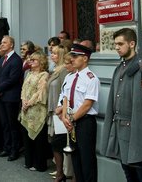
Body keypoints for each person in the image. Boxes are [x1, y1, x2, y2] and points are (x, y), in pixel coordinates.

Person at [100, 28, 142, 182]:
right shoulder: (119, 68)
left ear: (132, 44)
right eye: (115, 44)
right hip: (119, 131)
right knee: (129, 175)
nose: (116, 47)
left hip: (137, 133)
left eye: (120, 44)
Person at [60, 43, 100, 182]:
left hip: (85, 122)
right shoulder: (69, 77)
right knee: (75, 158)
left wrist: (71, 119)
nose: (72, 59)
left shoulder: (91, 78)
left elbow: (87, 104)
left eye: (76, 56)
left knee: (87, 160)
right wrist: (65, 117)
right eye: (72, 56)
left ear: (85, 58)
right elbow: (65, 98)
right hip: (71, 122)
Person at [19, 50, 51, 172]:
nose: (31, 62)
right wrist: (23, 101)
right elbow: (23, 89)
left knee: (38, 138)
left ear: (41, 62)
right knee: (27, 137)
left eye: (34, 60)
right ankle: (29, 161)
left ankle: (39, 164)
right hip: (26, 110)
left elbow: (40, 92)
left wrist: (29, 103)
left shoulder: (44, 75)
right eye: (30, 60)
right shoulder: (29, 73)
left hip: (37, 110)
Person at [0, 35, 23, 161]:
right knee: (4, 124)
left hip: (11, 97)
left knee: (12, 125)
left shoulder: (16, 60)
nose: (1, 44)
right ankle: (6, 148)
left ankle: (14, 151)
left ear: (11, 45)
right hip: (1, 97)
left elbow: (13, 79)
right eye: (1, 42)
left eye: (4, 43)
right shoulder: (2, 59)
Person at [47, 44, 70, 181]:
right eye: (52, 53)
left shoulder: (63, 71)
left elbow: (64, 93)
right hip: (53, 110)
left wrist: (61, 108)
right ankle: (59, 170)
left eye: (55, 53)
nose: (52, 55)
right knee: (54, 141)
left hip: (60, 112)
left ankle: (63, 172)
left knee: (58, 141)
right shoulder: (55, 70)